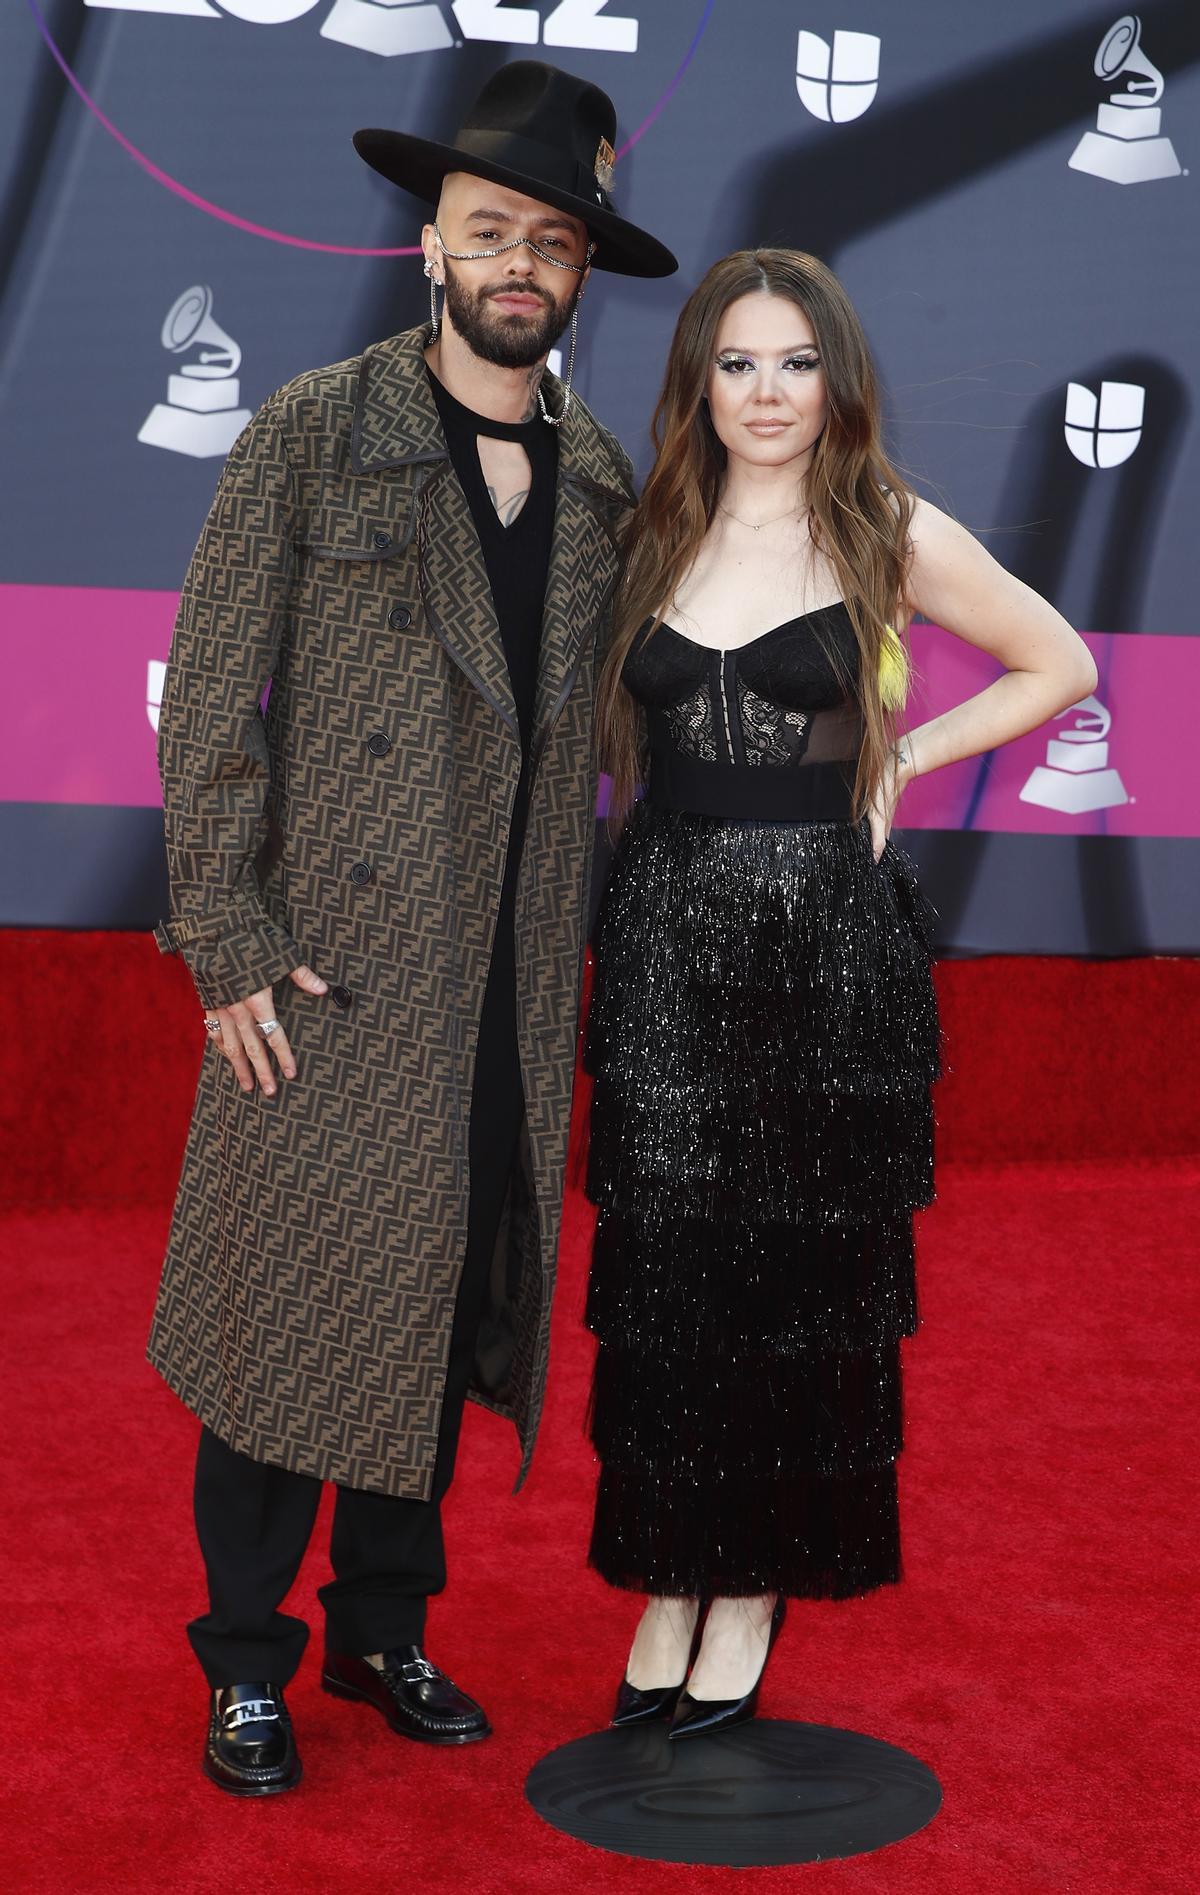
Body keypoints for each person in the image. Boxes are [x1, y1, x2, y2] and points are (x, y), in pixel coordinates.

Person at [149, 62, 675, 1797]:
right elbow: (212, 697)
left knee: (444, 1302)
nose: (517, 264)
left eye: (550, 241)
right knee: (290, 1316)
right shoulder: (315, 425)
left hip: (507, 973)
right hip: (332, 970)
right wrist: (225, 938)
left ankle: (385, 1627)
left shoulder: (600, 479)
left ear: (580, 271)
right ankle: (247, 1663)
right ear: (429, 248)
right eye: (488, 232)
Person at [585, 249, 1096, 1739]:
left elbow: (1052, 662)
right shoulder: (650, 532)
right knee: (674, 1282)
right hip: (670, 944)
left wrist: (904, 764)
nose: (765, 393)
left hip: (827, 959)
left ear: (836, 380)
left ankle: (752, 1587)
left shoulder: (884, 527)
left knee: (800, 1288)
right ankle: (671, 1575)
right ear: (699, 379)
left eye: (795, 363)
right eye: (737, 363)